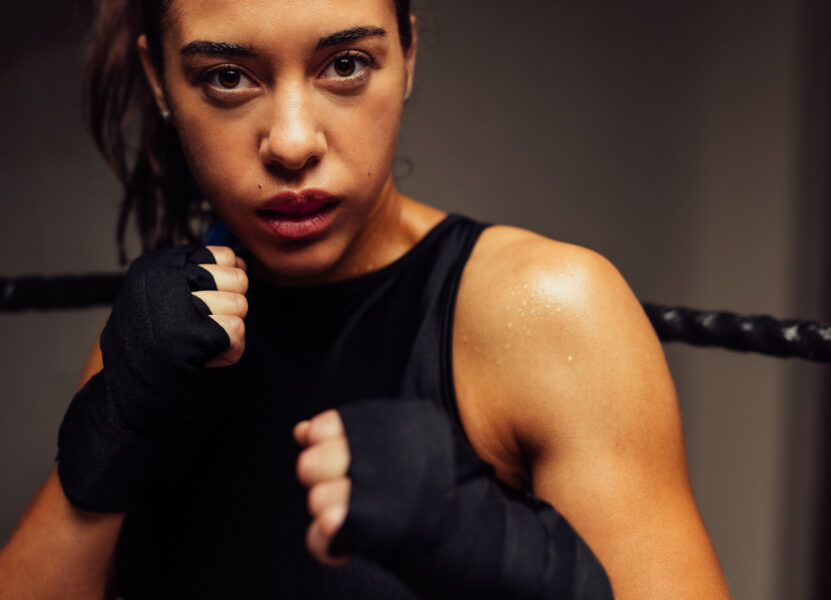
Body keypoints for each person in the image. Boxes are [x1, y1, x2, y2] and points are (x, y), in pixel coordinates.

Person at [0, 0, 730, 598]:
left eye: (345, 65)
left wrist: (508, 557)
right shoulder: (163, 327)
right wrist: (115, 425)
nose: (290, 143)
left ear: (406, 53)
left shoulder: (548, 309)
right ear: (159, 81)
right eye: (227, 76)